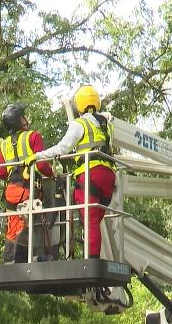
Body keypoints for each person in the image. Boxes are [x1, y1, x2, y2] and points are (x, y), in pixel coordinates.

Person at [26, 85, 115, 259]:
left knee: (90, 221)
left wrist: (37, 156)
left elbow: (63, 148)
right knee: (95, 220)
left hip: (91, 175)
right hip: (108, 176)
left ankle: (92, 261)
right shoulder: (106, 124)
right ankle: (91, 257)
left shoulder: (79, 124)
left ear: (79, 105)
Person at [0, 103, 53, 263]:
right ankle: (26, 257)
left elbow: (1, 172)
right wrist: (52, 174)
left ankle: (9, 258)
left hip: (10, 192)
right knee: (28, 223)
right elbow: (41, 164)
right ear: (19, 121)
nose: (25, 118)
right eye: (22, 116)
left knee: (13, 225)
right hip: (28, 190)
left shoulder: (4, 144)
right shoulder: (33, 136)